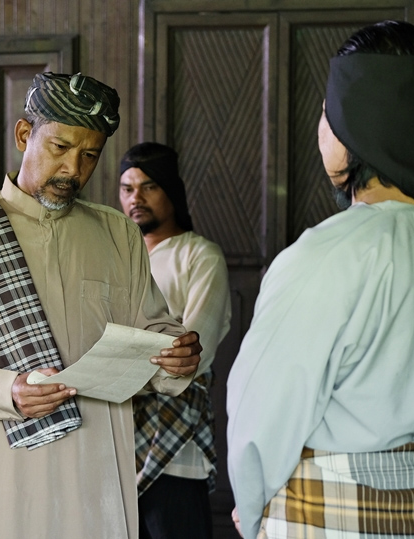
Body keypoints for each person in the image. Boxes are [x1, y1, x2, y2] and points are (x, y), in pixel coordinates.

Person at [227, 21, 414, 539]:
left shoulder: (327, 254)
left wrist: (250, 507)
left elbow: (263, 414)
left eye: (326, 113)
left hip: (339, 515)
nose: (320, 129)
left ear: (354, 124)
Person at [0, 72, 204, 539]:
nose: (73, 169)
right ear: (24, 135)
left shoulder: (117, 234)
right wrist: (6, 390)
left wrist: (175, 356)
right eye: (60, 147)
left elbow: (151, 332)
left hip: (91, 475)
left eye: (90, 155)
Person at [118, 142, 231, 539]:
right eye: (127, 188)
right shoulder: (114, 259)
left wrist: (123, 365)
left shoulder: (199, 256)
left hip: (175, 444)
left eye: (148, 186)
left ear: (171, 191)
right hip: (114, 440)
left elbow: (193, 351)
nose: (136, 198)